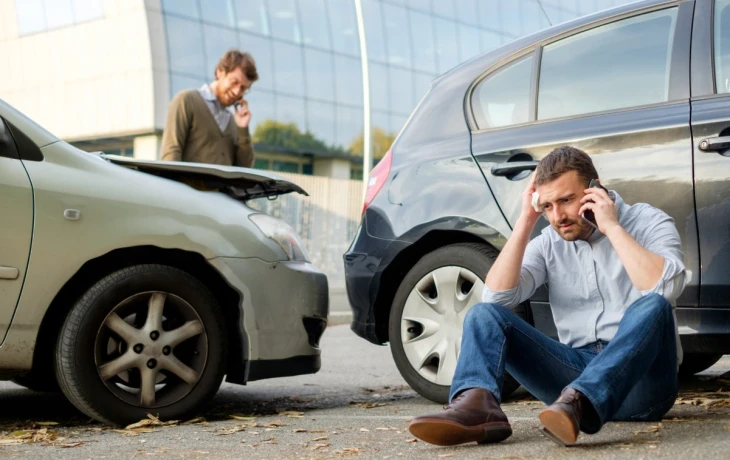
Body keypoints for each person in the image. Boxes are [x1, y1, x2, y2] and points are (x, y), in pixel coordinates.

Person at [408, 146, 687, 447]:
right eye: (548, 206)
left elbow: (664, 288)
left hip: (640, 383)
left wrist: (612, 228)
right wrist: (525, 221)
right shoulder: (549, 243)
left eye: (566, 200)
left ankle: (582, 402)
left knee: (653, 304)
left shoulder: (647, 221)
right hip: (570, 384)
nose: (558, 217)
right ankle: (479, 409)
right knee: (483, 313)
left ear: (595, 188)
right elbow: (497, 298)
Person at [160, 49, 258, 167]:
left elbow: (245, 168)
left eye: (243, 88)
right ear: (219, 72)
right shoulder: (186, 100)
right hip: (186, 185)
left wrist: (243, 129)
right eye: (234, 82)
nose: (237, 91)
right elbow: (171, 153)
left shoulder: (234, 121)